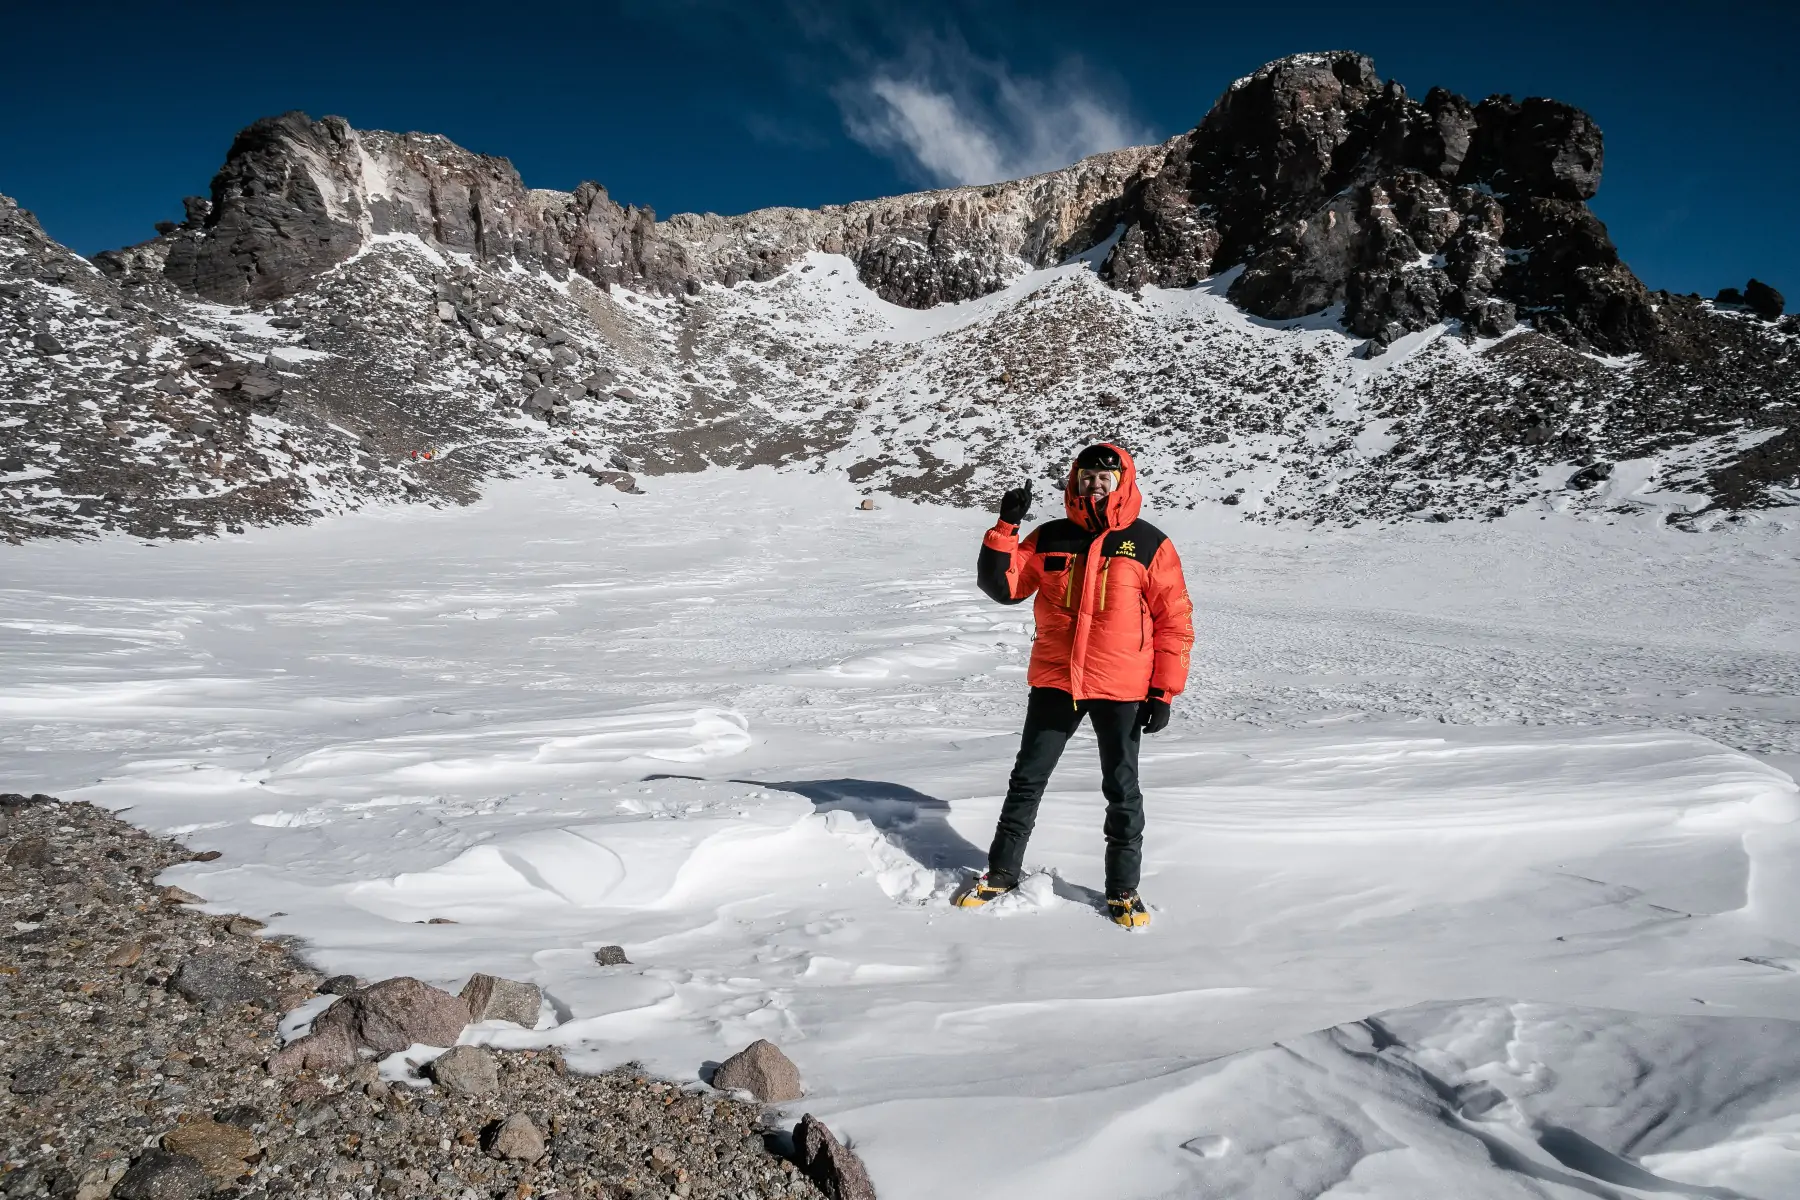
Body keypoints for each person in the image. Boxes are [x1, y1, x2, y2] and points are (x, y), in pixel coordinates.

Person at [958, 443, 1194, 928]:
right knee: (1026, 781)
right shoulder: (1049, 537)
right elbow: (1003, 588)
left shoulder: (1149, 544)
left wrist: (1163, 690)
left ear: (1122, 482)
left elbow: (1174, 620)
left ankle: (1123, 891)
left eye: (1104, 478)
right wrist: (1005, 529)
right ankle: (1001, 872)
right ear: (1075, 481)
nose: (1094, 485)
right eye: (1086, 477)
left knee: (1121, 790)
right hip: (1056, 680)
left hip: (1122, 685)